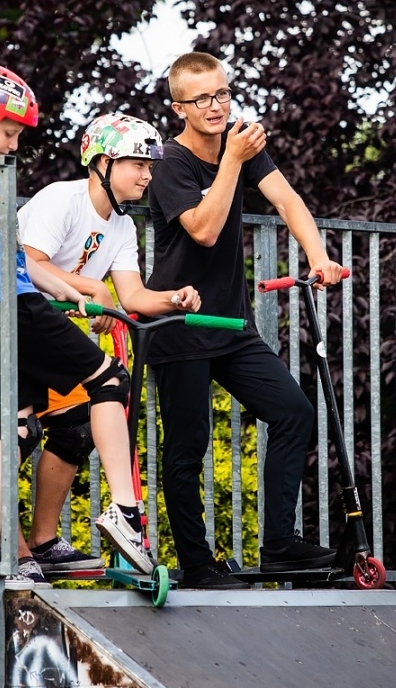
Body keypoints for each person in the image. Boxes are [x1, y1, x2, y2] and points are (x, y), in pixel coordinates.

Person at [0, 65, 158, 587]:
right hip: (1, 302)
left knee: (20, 428)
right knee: (109, 380)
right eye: (9, 132)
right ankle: (126, 512)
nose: (13, 145)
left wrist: (69, 291)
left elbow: (15, 259)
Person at [146, 52, 344, 590]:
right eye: (202, 99)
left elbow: (288, 200)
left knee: (293, 412)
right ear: (179, 108)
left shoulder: (240, 144)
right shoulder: (169, 162)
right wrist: (232, 160)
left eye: (222, 93)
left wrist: (318, 257)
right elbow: (204, 229)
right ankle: (197, 564)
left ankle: (279, 545)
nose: (216, 106)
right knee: (187, 449)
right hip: (180, 324)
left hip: (232, 327)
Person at [17, 111, 202, 573]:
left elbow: (133, 297)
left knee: (77, 425)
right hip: (9, 323)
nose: (147, 175)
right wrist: (92, 288)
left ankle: (42, 544)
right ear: (102, 162)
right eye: (137, 164)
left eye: (150, 166)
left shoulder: (121, 226)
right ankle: (6, 551)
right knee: (16, 433)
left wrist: (175, 298)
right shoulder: (62, 200)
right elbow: (26, 262)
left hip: (45, 333)